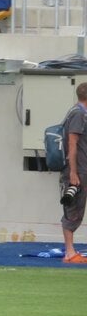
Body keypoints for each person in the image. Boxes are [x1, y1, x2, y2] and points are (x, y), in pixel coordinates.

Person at [60, 83, 87, 263]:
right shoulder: (78, 114)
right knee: (73, 208)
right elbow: (72, 143)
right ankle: (69, 252)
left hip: (82, 168)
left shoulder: (77, 112)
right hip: (77, 170)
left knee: (77, 207)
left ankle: (70, 252)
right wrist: (73, 173)